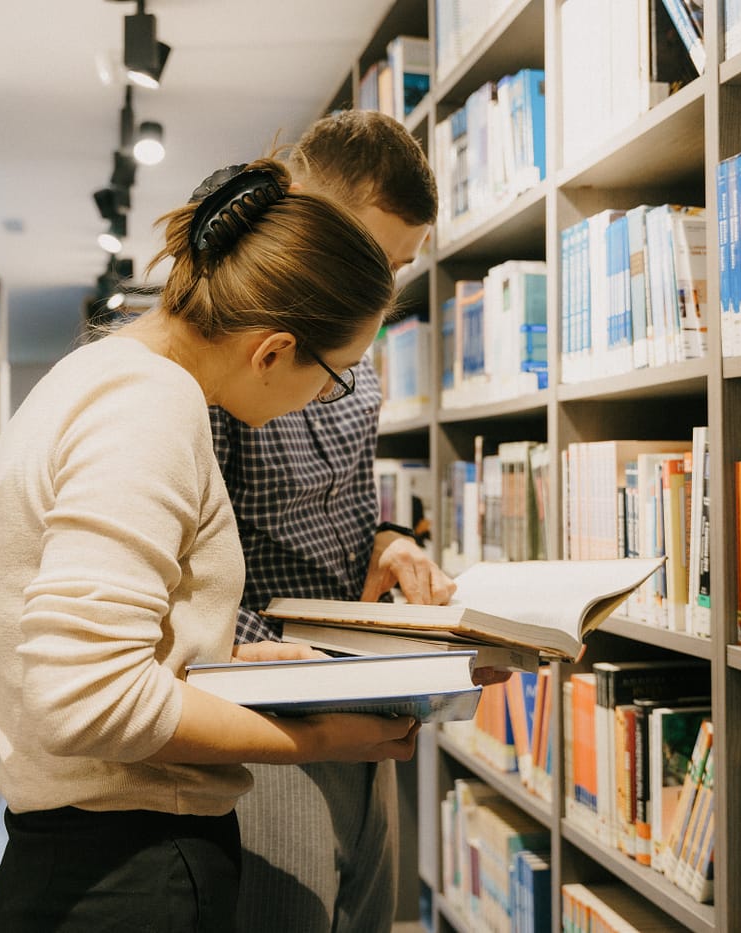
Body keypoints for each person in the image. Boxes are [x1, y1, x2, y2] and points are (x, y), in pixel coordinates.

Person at [0, 157, 420, 933]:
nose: (327, 398)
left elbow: (99, 646)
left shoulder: (101, 374)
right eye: (336, 374)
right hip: (128, 874)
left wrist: (219, 657)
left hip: (95, 860)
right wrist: (312, 737)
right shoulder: (149, 405)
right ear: (272, 351)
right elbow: (82, 697)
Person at [213, 110, 461, 933]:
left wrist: (391, 541)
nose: (379, 291)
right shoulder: (229, 358)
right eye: (370, 255)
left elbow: (354, 506)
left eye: (397, 268)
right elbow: (192, 569)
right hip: (265, 716)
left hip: (361, 696)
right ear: (304, 207)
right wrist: (299, 672)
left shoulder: (363, 358)